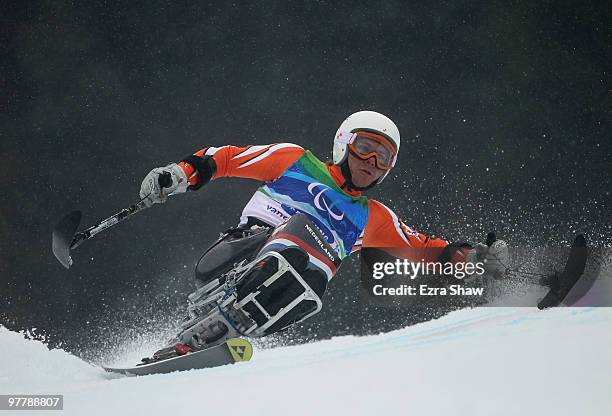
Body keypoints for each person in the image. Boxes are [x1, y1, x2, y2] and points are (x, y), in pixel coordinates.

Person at [139, 111, 508, 329]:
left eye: (383, 158)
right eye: (365, 148)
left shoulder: (372, 216)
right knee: (304, 233)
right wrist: (179, 174)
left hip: (292, 288)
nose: (371, 162)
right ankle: (237, 296)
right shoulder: (295, 160)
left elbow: (427, 250)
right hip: (240, 251)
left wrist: (476, 260)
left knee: (316, 263)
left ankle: (223, 328)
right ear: (344, 143)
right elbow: (226, 158)